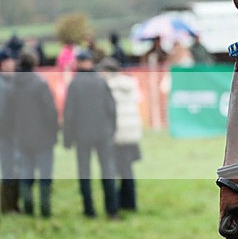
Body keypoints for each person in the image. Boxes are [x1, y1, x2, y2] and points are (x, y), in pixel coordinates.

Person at [63, 50, 119, 219]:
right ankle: (112, 210)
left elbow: (69, 114)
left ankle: (89, 211)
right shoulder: (101, 82)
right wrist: (112, 130)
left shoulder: (74, 84)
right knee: (107, 171)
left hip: (82, 135)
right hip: (103, 134)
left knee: (84, 173)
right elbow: (112, 109)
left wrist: (68, 138)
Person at [10, 52, 58, 217]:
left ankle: (28, 208)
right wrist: (54, 131)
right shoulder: (40, 84)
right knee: (45, 174)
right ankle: (45, 209)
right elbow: (50, 111)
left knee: (26, 173)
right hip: (42, 137)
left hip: (22, 136)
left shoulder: (13, 85)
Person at [98, 58, 142, 211]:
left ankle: (119, 201)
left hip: (117, 132)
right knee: (127, 168)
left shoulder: (108, 86)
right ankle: (130, 202)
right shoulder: (130, 84)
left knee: (115, 169)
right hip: (131, 131)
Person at [0, 50, 19, 213]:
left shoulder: (12, 80)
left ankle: (13, 204)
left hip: (14, 132)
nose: (12, 63)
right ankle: (7, 206)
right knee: (9, 168)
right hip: (7, 134)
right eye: (8, 61)